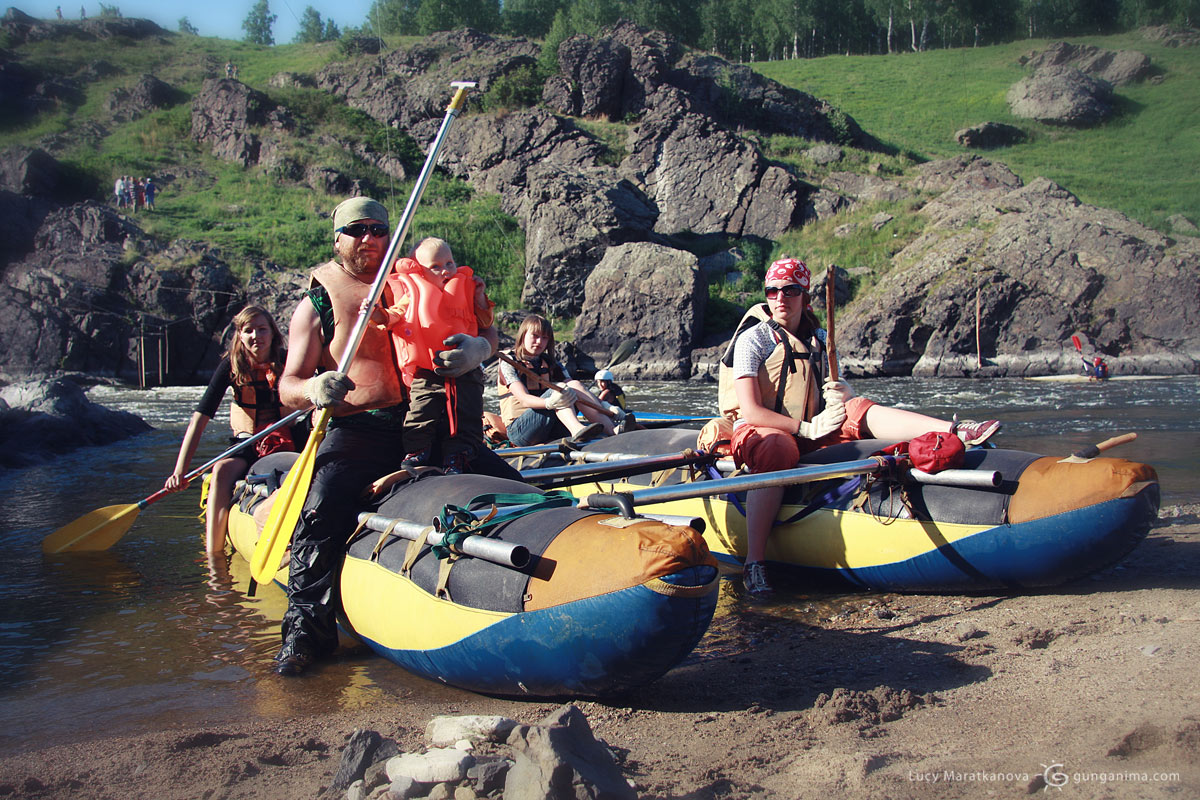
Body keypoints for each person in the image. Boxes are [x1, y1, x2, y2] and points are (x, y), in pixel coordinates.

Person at [272, 197, 512, 677]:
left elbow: (488, 331)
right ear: (337, 239)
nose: (368, 239)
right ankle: (306, 630)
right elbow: (287, 386)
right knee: (321, 509)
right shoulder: (318, 301)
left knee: (509, 485)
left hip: (431, 423)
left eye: (378, 229)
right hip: (361, 429)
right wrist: (314, 388)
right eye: (356, 230)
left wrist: (478, 352)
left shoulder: (427, 275)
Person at [723, 257, 1001, 599]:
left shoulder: (821, 340)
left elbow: (831, 397)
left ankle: (957, 432)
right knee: (778, 448)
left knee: (858, 408)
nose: (781, 298)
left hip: (811, 427)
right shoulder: (753, 341)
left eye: (791, 290)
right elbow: (750, 410)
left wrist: (843, 395)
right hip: (760, 432)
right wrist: (805, 429)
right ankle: (755, 563)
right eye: (773, 291)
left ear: (805, 296)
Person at [163, 306, 295, 559]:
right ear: (240, 336)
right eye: (249, 331)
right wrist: (180, 471)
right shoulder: (230, 367)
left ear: (273, 333)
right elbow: (199, 420)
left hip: (287, 435)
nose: (256, 336)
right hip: (247, 440)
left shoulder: (289, 360)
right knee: (222, 469)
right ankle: (214, 557)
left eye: (262, 329)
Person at [367, 236, 497, 473]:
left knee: (467, 414)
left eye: (449, 263)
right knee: (421, 411)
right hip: (428, 371)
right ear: (419, 270)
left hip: (466, 370)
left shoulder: (466, 290)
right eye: (435, 267)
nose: (445, 271)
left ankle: (460, 454)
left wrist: (480, 297)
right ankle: (417, 450)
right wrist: (377, 315)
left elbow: (484, 320)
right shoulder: (413, 293)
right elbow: (394, 316)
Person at [497, 314, 617, 446]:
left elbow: (577, 389)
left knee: (573, 384)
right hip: (520, 431)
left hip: (549, 427)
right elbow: (524, 399)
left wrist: (604, 405)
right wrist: (549, 402)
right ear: (523, 335)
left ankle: (612, 429)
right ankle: (577, 430)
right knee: (560, 389)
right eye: (535, 336)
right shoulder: (508, 362)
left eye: (544, 338)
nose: (539, 342)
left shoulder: (550, 362)